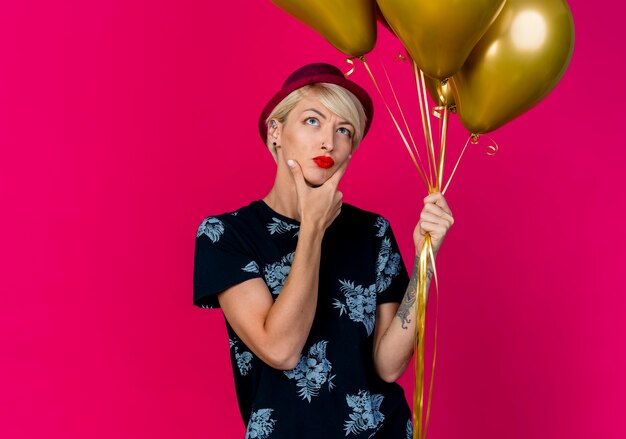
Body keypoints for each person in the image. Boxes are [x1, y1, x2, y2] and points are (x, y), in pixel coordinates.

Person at [193, 63, 454, 438]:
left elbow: (388, 366)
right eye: (313, 121)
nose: (328, 142)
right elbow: (281, 350)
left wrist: (425, 259)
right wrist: (313, 227)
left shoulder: (371, 230)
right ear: (276, 131)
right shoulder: (226, 234)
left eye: (343, 130)